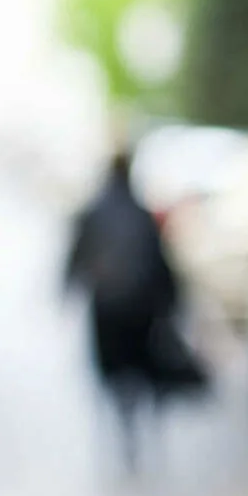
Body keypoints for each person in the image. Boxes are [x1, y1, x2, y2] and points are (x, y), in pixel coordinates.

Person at [65, 149, 204, 472]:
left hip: (106, 307)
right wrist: (172, 303)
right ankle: (139, 420)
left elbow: (77, 256)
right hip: (140, 309)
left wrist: (69, 289)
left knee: (112, 372)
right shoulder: (141, 214)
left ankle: (124, 421)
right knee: (139, 368)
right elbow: (161, 263)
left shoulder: (93, 212)